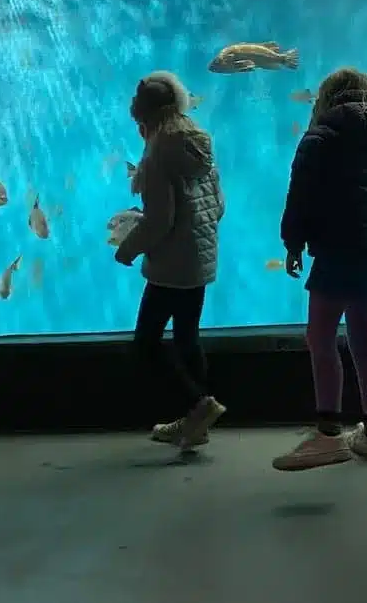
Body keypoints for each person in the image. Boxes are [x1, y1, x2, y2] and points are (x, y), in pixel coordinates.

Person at [272, 67, 367, 471]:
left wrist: (293, 243)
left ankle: (328, 434)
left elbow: (299, 194)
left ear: (326, 98)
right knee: (363, 342)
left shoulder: (318, 137)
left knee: (319, 338)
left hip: (335, 247)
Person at [115, 70, 226, 450]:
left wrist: (128, 247)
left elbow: (160, 219)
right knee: (186, 339)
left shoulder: (160, 149)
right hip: (200, 259)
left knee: (146, 344)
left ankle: (198, 406)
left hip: (171, 265)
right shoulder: (198, 138)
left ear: (143, 115)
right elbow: (219, 205)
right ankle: (197, 426)